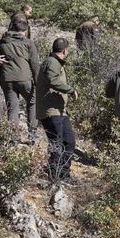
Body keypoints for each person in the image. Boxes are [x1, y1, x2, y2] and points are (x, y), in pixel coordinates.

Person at [36, 37, 78, 183]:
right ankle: (54, 175)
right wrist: (71, 90)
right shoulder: (52, 62)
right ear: (65, 50)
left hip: (59, 111)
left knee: (69, 141)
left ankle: (64, 174)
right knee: (57, 143)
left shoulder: (54, 62)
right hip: (51, 111)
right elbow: (52, 80)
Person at [0, 20, 39, 142]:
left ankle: (13, 138)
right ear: (24, 31)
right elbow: (35, 63)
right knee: (32, 102)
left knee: (12, 107)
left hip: (7, 78)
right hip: (24, 78)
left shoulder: (3, 41)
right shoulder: (28, 43)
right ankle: (32, 135)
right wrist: (38, 82)